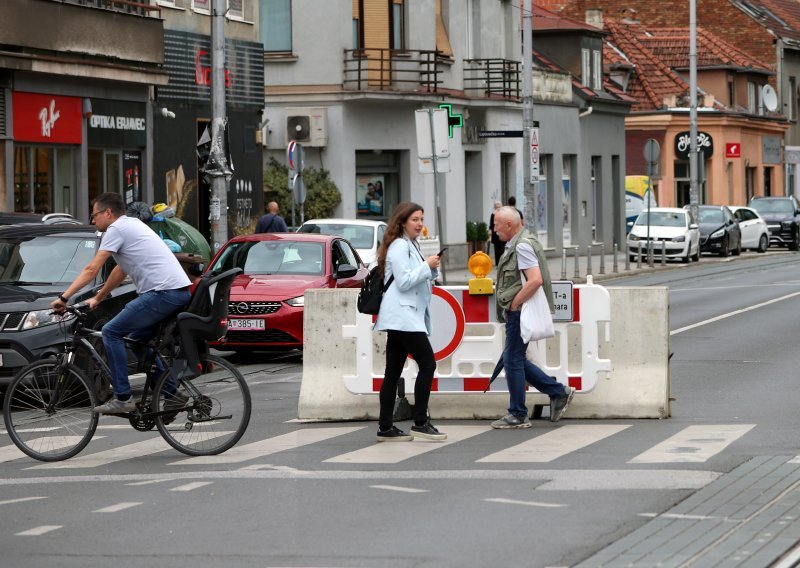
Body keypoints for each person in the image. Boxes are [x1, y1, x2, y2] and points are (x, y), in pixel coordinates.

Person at [51, 192, 191, 414]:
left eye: (94, 214)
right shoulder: (130, 225)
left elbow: (91, 269)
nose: (92, 220)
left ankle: (123, 397)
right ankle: (172, 394)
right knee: (136, 340)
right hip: (174, 292)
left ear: (108, 212)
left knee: (110, 332)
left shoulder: (117, 229)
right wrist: (98, 297)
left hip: (162, 293)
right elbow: (120, 269)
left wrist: (63, 298)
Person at [491, 206, 574, 428]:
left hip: (520, 311)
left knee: (513, 360)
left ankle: (518, 413)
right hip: (519, 311)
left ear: (509, 225)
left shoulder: (522, 245)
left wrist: (515, 304)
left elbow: (535, 280)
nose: (494, 228)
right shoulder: (521, 242)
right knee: (513, 359)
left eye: (497, 224)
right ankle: (558, 392)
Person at [373, 202, 446, 442]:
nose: (420, 223)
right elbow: (404, 282)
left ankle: (385, 428)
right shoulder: (399, 246)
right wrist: (427, 266)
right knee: (428, 364)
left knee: (392, 373)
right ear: (402, 222)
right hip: (403, 317)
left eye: (422, 219)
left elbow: (418, 279)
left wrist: (431, 268)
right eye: (415, 219)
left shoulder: (411, 245)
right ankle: (421, 423)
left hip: (403, 316)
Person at [489, 200, 504, 265]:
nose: (498, 208)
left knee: (502, 248)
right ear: (495, 207)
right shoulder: (493, 214)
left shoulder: (503, 214)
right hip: (495, 234)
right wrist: (490, 233)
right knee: (496, 248)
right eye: (496, 207)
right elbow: (491, 225)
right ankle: (498, 263)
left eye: (499, 207)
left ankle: (502, 262)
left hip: (502, 232)